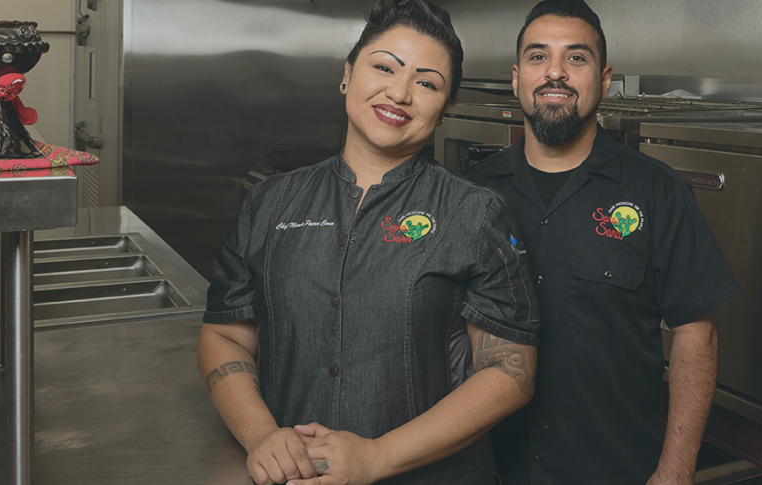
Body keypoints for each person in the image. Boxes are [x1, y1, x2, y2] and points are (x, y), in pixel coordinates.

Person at [197, 1, 540, 484]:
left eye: (427, 83)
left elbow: (511, 370)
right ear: (347, 74)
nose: (399, 92)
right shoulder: (271, 203)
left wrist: (378, 456)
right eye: (384, 67)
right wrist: (260, 436)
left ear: (443, 111)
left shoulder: (475, 212)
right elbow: (225, 333)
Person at [464, 1, 741, 484]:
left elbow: (697, 334)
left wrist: (675, 471)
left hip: (616, 469)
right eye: (537, 57)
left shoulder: (655, 191)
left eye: (576, 58)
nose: (555, 72)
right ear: (515, 78)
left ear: (605, 78)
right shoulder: (472, 194)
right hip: (490, 471)